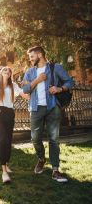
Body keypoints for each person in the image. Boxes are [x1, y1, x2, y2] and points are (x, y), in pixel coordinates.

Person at [22, 46, 72, 182]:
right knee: (35, 138)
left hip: (52, 107)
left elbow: (69, 81)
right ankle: (41, 159)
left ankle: (55, 170)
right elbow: (25, 89)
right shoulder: (30, 72)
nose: (30, 59)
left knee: (54, 139)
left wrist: (59, 88)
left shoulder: (55, 68)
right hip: (36, 108)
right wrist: (37, 80)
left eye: (32, 56)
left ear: (39, 55)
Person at [0, 66, 28, 183]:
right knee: (3, 140)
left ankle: (7, 164)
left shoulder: (13, 86)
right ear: (1, 72)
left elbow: (24, 95)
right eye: (5, 70)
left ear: (10, 74)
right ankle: (4, 172)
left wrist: (30, 87)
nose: (7, 72)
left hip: (10, 113)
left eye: (9, 71)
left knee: (8, 141)